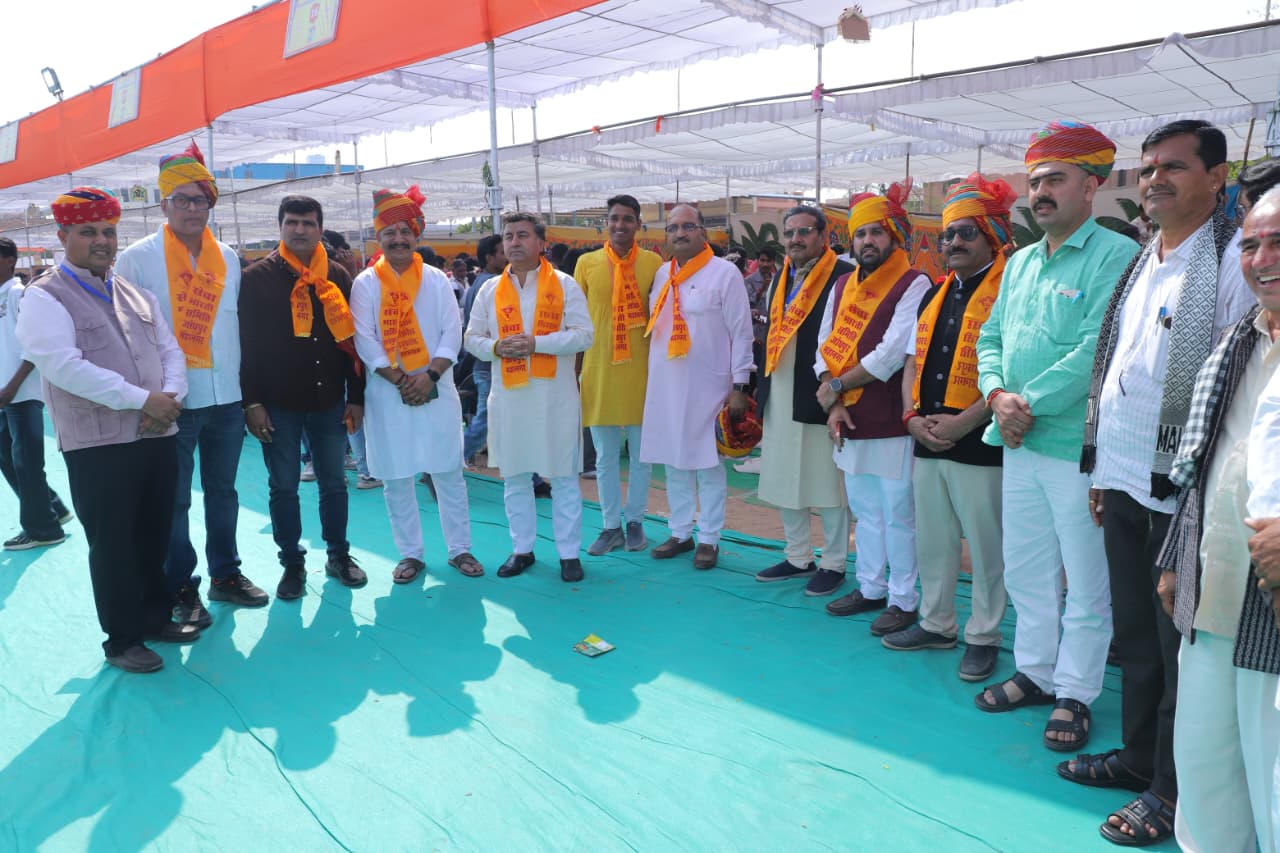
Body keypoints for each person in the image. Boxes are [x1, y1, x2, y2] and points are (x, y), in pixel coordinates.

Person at [1071, 120, 1250, 846]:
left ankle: (1174, 793)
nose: (1154, 180)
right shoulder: (1146, 257)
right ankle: (1140, 757)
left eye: (1173, 167)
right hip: (1122, 479)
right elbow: (1118, 365)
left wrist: (1194, 501)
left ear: (1217, 177)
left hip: (1183, 495)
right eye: (1147, 169)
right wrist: (1101, 469)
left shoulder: (1233, 261)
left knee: (1182, 654)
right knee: (1137, 638)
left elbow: (1230, 389)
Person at [974, 121, 1139, 755]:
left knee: (1086, 578)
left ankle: (1076, 691)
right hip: (1018, 441)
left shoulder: (1116, 255)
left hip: (1077, 448)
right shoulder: (1019, 262)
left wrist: (1025, 405)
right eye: (1035, 181)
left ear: (1091, 187)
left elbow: (1098, 348)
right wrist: (997, 395)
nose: (1039, 193)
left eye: (1055, 180)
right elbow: (991, 337)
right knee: (1026, 567)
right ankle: (1036, 671)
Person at [17, 187, 197, 673]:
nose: (102, 241)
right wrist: (144, 400)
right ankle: (122, 640)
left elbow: (171, 351)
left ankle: (155, 617)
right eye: (88, 232)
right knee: (114, 542)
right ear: (63, 236)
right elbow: (62, 365)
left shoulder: (134, 293)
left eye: (109, 232)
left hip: (156, 433)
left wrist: (170, 397)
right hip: (99, 444)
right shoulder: (45, 296)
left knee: (154, 533)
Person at [1153, 188, 1280, 851]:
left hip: (1271, 609)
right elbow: (1201, 464)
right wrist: (1176, 559)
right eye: (1251, 244)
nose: (1262, 259)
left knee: (1274, 785)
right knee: (1204, 772)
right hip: (1213, 596)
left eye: (1278, 242)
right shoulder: (1239, 340)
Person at [115, 142, 268, 626]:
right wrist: (145, 399)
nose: (192, 208)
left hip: (226, 400)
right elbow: (127, 337)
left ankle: (226, 574)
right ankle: (180, 584)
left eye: (200, 200)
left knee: (224, 492)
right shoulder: (137, 260)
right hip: (172, 403)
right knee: (175, 500)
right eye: (181, 199)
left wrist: (248, 397)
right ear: (164, 205)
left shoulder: (228, 257)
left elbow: (238, 329)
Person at [881, 174, 1015, 683]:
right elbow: (911, 364)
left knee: (985, 545)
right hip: (927, 436)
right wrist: (911, 418)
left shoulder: (1009, 293)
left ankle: (984, 635)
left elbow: (1011, 370)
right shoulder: (933, 294)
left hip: (980, 438)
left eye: (966, 232)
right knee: (933, 541)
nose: (953, 242)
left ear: (992, 237)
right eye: (948, 234)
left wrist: (963, 422)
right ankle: (936, 623)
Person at [350, 187, 482, 584]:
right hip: (387, 393)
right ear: (378, 237)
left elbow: (452, 331)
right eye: (390, 232)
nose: (398, 239)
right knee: (396, 477)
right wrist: (401, 380)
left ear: (416, 235)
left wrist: (430, 377)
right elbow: (364, 339)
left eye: (405, 231)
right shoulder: (366, 283)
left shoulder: (437, 280)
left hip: (436, 389)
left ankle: (460, 549)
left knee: (448, 472)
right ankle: (410, 554)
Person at [817, 182, 931, 635]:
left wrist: (837, 387)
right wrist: (833, 401)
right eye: (861, 233)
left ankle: (903, 600)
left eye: (877, 232)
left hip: (890, 421)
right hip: (848, 417)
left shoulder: (914, 282)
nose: (868, 241)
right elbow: (825, 348)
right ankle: (869, 588)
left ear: (894, 236)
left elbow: (891, 353)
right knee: (865, 511)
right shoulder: (842, 284)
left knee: (898, 514)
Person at [239, 195, 367, 599]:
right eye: (291, 222)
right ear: (280, 227)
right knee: (283, 487)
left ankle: (338, 555)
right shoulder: (256, 278)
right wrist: (251, 402)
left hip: (329, 400)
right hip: (278, 403)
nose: (299, 229)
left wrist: (356, 396)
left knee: (335, 483)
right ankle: (292, 564)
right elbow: (247, 346)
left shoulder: (338, 277)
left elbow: (353, 342)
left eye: (308, 223)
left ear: (319, 229)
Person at [465, 212, 593, 582]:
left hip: (555, 398)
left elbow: (585, 335)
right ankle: (522, 549)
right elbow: (471, 339)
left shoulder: (565, 284)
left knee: (563, 477)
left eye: (522, 235)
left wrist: (539, 343)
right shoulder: (489, 289)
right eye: (508, 236)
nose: (514, 242)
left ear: (541, 243)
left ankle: (569, 554)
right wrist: (497, 347)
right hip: (509, 399)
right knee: (515, 477)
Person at [639, 204, 754, 570]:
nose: (680, 233)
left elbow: (742, 332)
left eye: (688, 226)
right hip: (666, 385)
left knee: (708, 464)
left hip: (711, 386)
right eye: (673, 228)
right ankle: (680, 532)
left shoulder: (724, 273)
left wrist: (741, 384)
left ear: (703, 232)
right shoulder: (663, 274)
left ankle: (709, 538)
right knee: (674, 461)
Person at [752, 205, 854, 596]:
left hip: (819, 393)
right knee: (783, 476)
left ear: (824, 235)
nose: (795, 239)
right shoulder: (781, 277)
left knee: (827, 482)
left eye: (804, 231)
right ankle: (797, 556)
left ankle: (834, 562)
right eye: (790, 232)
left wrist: (837, 391)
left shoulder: (843, 276)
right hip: (779, 390)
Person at [574, 194, 662, 555]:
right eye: (614, 218)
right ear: (605, 224)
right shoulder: (586, 263)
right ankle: (611, 526)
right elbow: (575, 322)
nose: (620, 225)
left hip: (642, 371)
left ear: (638, 224)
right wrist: (575, 374)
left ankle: (635, 521)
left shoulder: (654, 263)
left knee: (642, 456)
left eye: (627, 219)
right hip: (598, 370)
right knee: (605, 457)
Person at [0, 236, 71, 550]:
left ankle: (43, 529)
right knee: (8, 459)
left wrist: (13, 385)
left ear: (10, 261)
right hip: (6, 396)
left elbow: (35, 345)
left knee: (26, 462)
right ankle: (53, 508)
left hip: (22, 393)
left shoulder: (19, 294)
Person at [461, 234, 504, 466]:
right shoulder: (493, 284)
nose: (508, 255)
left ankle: (532, 475)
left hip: (485, 361)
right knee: (485, 419)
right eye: (502, 252)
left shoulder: (479, 283)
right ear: (489, 258)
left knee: (503, 419)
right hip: (490, 362)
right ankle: (451, 460)